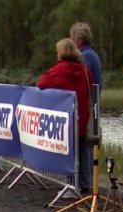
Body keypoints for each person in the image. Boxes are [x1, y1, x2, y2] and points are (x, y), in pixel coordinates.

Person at [36, 38, 94, 195]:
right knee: (82, 151)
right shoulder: (85, 70)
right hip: (83, 117)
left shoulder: (57, 71)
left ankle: (72, 186)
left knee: (70, 154)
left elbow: (41, 84)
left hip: (66, 119)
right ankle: (85, 185)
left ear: (61, 53)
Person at [69, 22, 103, 195]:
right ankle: (86, 182)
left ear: (79, 39)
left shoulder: (85, 57)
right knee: (86, 144)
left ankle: (84, 183)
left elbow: (83, 81)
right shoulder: (92, 55)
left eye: (72, 37)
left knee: (84, 143)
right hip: (91, 103)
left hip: (86, 105)